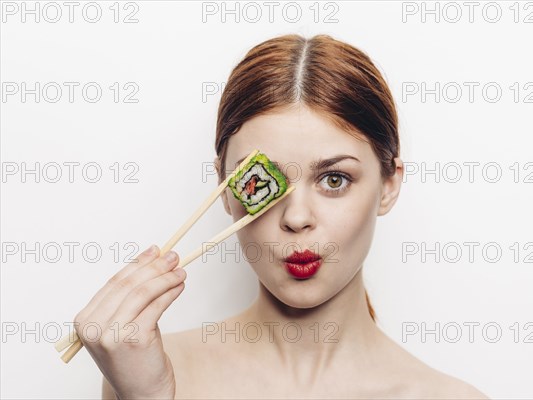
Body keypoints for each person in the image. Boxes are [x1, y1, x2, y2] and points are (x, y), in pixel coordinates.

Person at [73, 33, 488, 399]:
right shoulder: (148, 373)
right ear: (224, 187)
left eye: (334, 179)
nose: (296, 218)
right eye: (259, 182)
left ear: (389, 185)